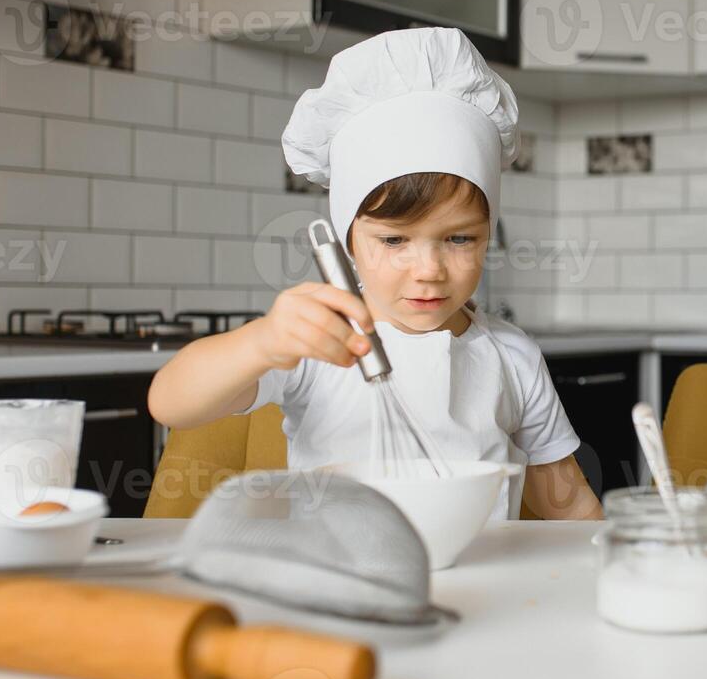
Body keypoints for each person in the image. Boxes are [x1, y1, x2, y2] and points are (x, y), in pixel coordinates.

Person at [149, 27, 603, 521]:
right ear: (348, 241)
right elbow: (170, 402)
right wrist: (261, 342)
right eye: (393, 241)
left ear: (489, 233)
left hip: (480, 587)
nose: (428, 271)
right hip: (339, 586)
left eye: (459, 239)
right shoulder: (317, 345)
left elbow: (569, 505)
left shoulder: (512, 358)